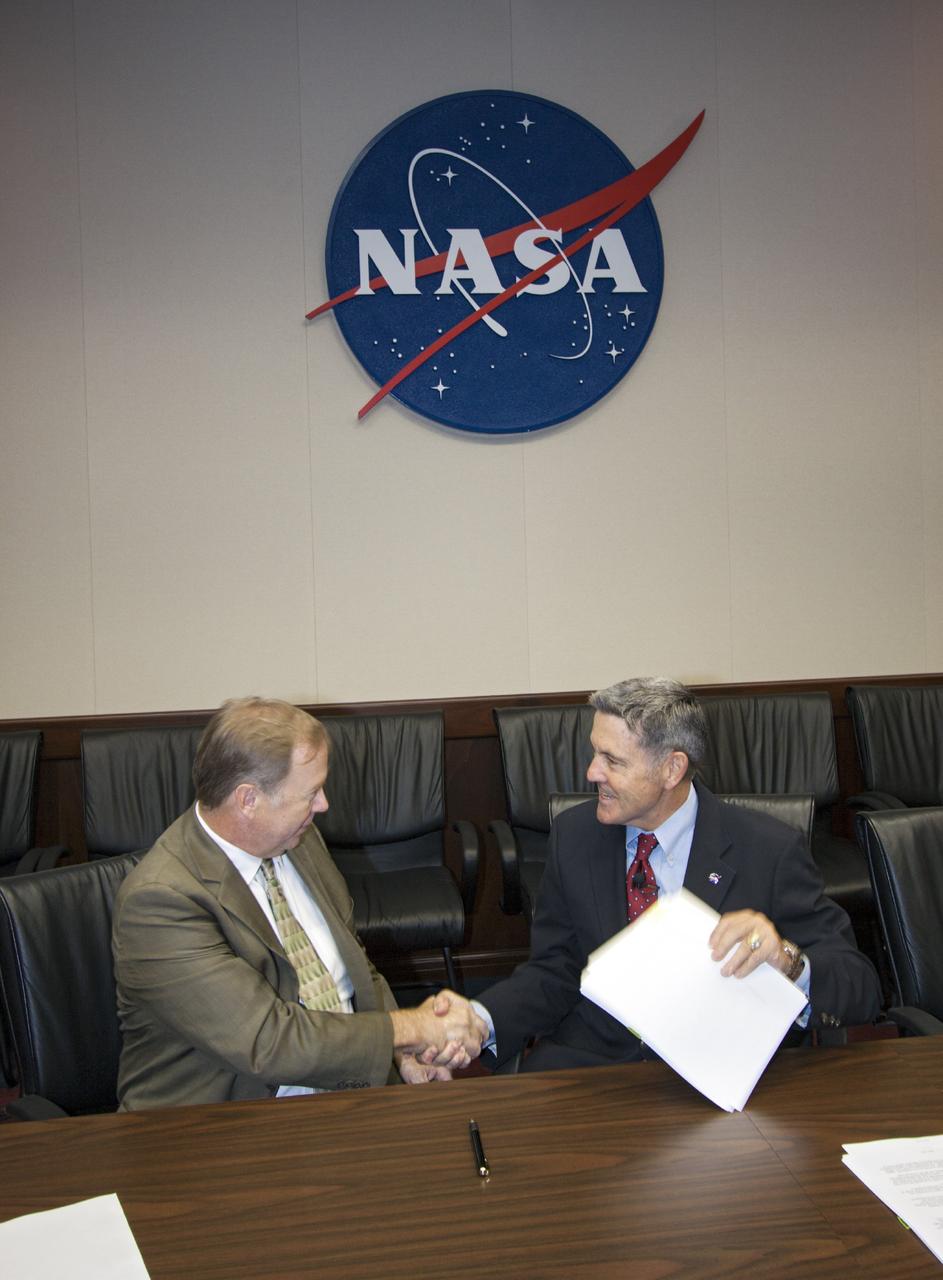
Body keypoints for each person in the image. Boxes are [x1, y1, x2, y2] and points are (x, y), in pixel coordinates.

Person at [475, 677, 882, 1072]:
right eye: (595, 753)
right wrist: (479, 1021)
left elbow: (860, 986)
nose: (591, 773)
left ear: (672, 769)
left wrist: (787, 959)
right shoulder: (575, 836)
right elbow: (556, 969)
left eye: (612, 760)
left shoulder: (769, 849)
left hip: (721, 1075)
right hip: (595, 1068)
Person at [112, 697, 486, 1109]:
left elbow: (354, 968)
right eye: (310, 792)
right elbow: (268, 1041)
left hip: (343, 1085)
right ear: (248, 800)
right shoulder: (160, 902)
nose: (323, 804)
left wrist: (400, 1054)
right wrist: (408, 1029)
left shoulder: (299, 841)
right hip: (226, 1120)